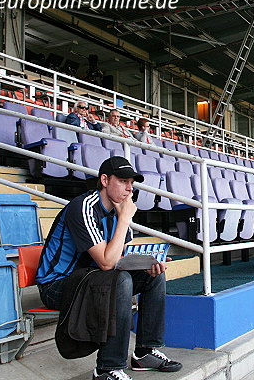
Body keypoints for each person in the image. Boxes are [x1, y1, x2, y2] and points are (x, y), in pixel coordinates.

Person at [36, 156, 182, 380]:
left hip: (92, 279)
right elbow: (106, 263)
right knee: (119, 280)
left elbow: (119, 257)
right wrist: (124, 219)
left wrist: (146, 263)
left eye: (131, 183)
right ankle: (107, 368)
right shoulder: (84, 206)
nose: (129, 188)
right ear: (104, 180)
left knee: (153, 276)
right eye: (123, 181)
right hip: (57, 285)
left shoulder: (118, 212)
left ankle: (144, 353)